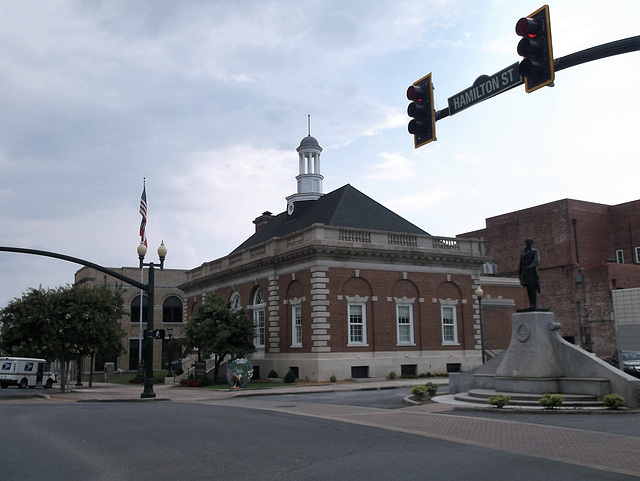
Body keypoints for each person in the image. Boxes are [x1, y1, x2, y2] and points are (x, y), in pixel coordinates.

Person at [519, 238, 540, 309]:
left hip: (532, 272)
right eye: (526, 242)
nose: (527, 243)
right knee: (528, 288)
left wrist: (530, 267)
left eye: (528, 242)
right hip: (525, 273)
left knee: (532, 288)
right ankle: (531, 304)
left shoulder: (535, 251)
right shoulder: (523, 253)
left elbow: (536, 261)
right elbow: (521, 264)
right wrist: (520, 273)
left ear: (531, 243)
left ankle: (534, 304)